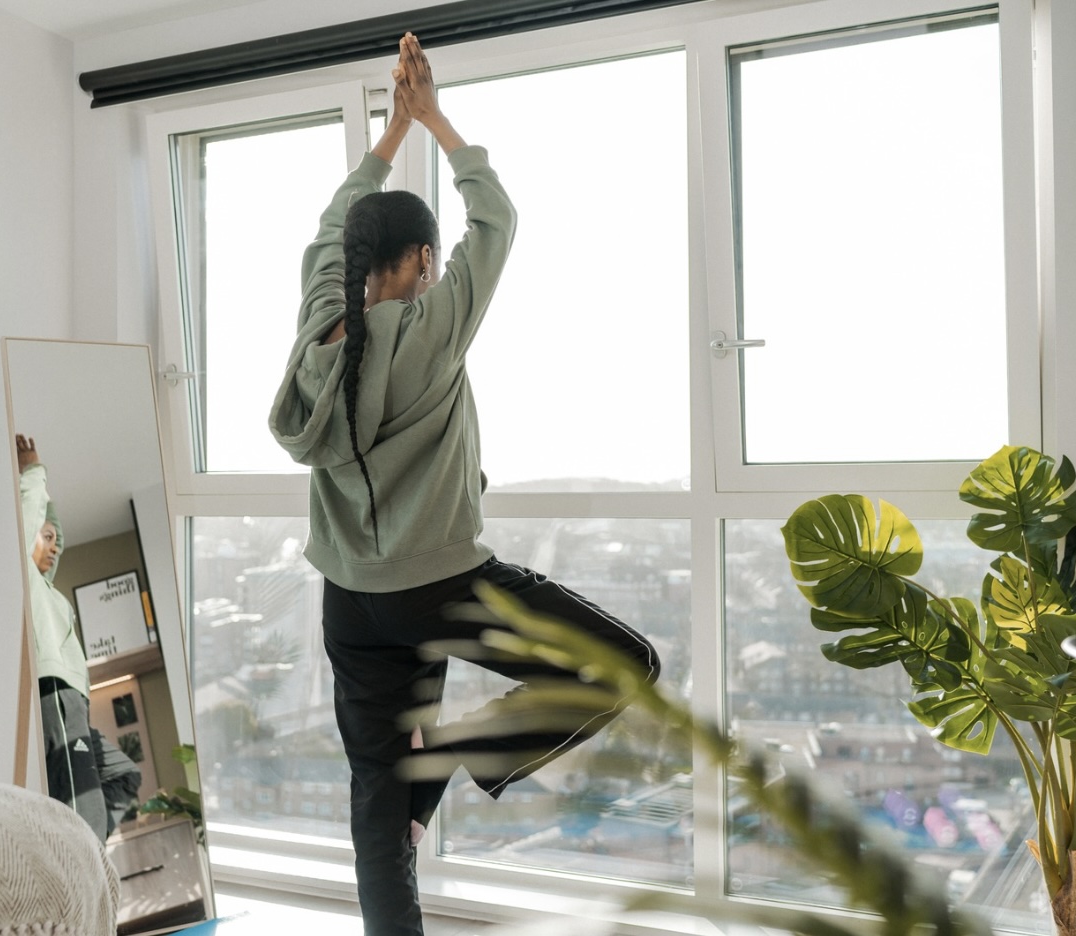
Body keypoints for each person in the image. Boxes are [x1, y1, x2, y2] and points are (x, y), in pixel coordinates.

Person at [268, 34, 660, 936]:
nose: (437, 273)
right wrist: (433, 119)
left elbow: (335, 224)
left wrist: (387, 133)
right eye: (429, 261)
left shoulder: (316, 324)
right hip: (440, 593)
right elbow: (502, 219)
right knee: (623, 667)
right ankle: (444, 757)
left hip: (348, 604)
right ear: (412, 263)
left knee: (379, 810)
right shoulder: (432, 326)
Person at [16, 433, 139, 842]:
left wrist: (50, 512)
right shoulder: (25, 580)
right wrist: (33, 472)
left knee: (125, 773)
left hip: (74, 702)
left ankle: (83, 847)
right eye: (45, 538)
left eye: (54, 540)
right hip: (55, 691)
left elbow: (57, 536)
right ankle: (82, 854)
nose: (53, 547)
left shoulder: (47, 589)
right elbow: (29, 521)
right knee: (77, 802)